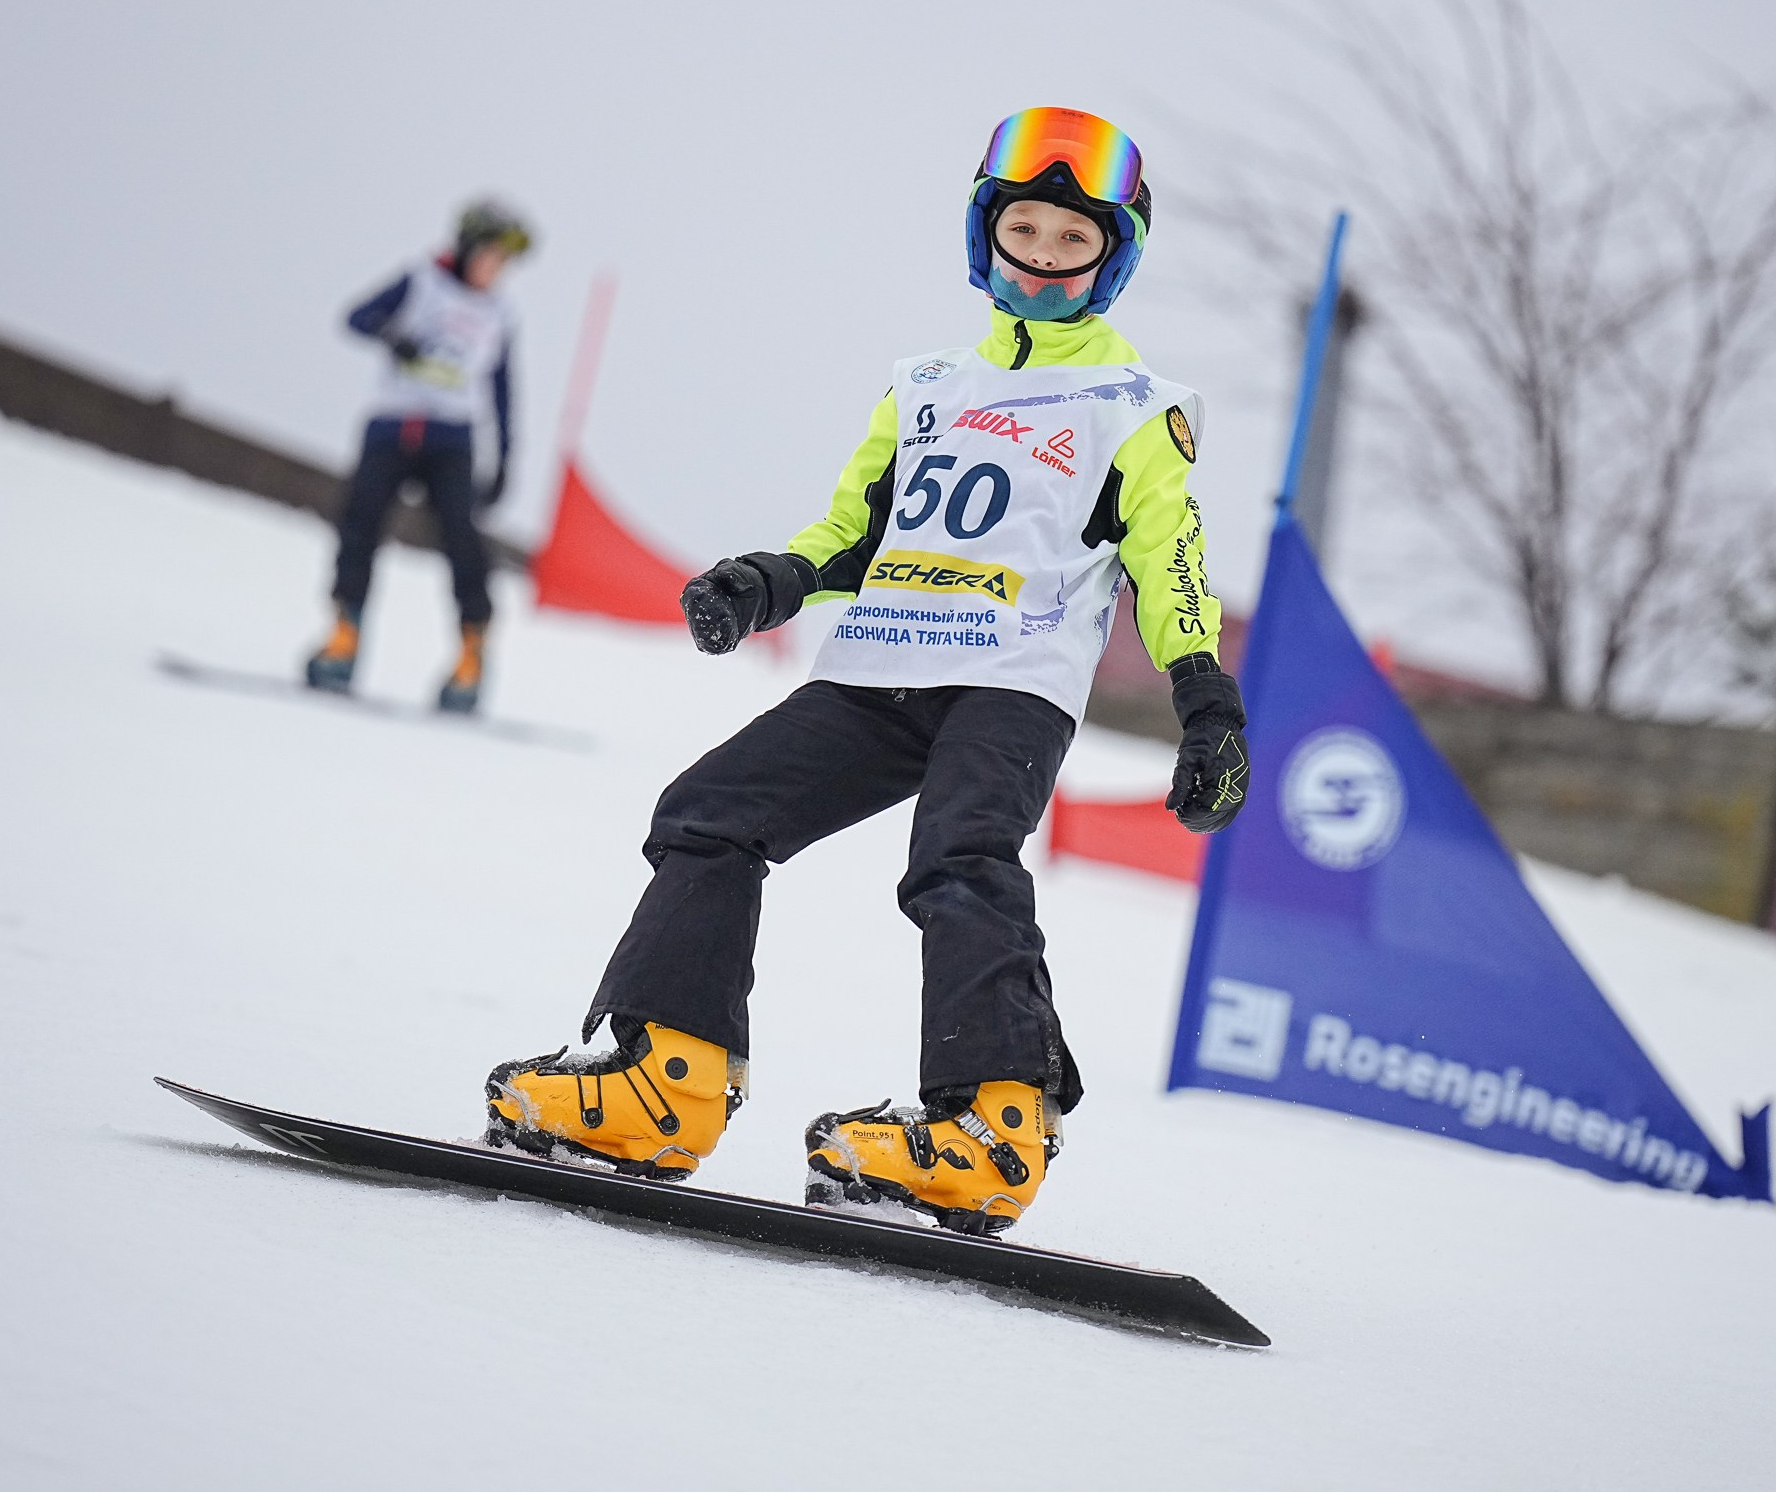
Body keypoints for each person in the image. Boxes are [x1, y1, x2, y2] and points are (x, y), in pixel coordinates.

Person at [483, 109, 1252, 1235]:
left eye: (1068, 238)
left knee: (960, 857)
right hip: (882, 666)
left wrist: (1206, 705)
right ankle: (666, 1084)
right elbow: (854, 530)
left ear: (1112, 257)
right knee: (708, 814)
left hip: (1012, 679)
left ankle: (991, 1128)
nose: (1039, 252)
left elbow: (1168, 564)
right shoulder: (925, 387)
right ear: (985, 234)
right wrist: (768, 581)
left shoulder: (1134, 410)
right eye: (1021, 225)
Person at [305, 200, 530, 712]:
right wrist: (395, 337)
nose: (496, 270)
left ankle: (471, 658)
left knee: (462, 543)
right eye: (491, 256)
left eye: (504, 262)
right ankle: (343, 639)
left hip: (453, 440)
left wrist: (506, 458)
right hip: (392, 426)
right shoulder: (422, 281)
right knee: (359, 527)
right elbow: (357, 318)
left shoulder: (499, 314)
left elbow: (502, 389)